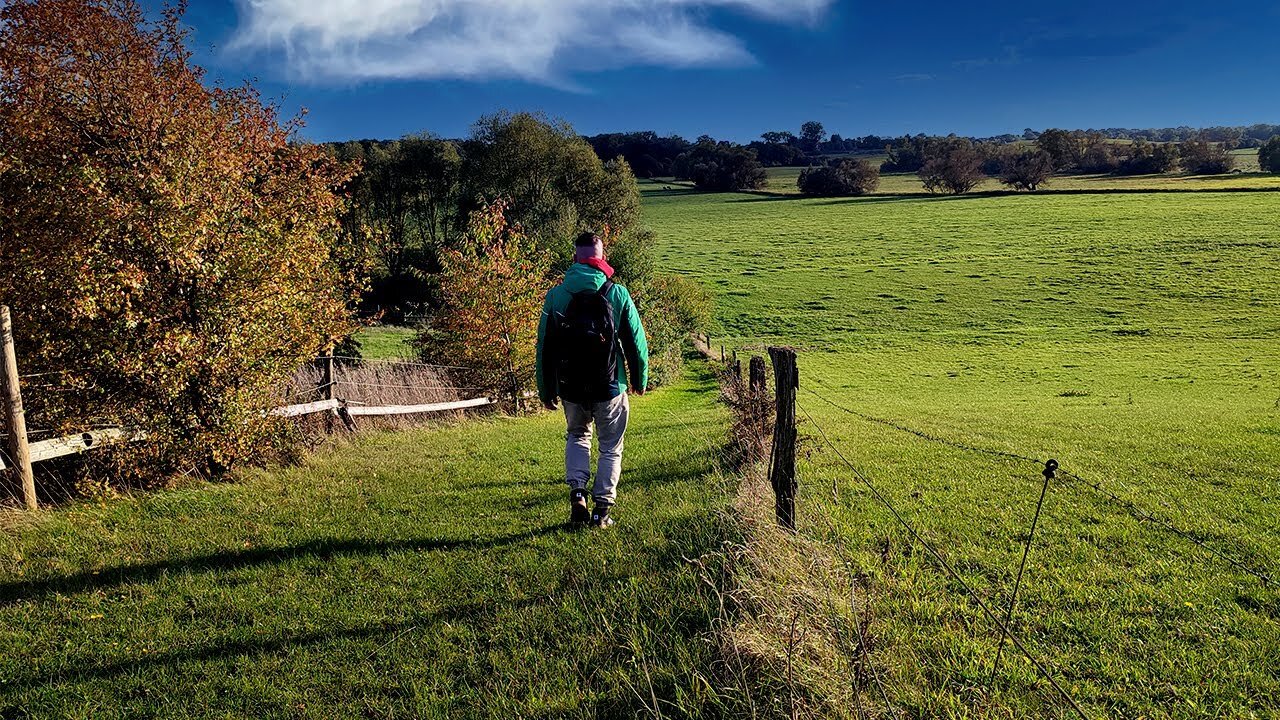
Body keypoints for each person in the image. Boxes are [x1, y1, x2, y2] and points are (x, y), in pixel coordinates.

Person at [536, 231, 648, 528]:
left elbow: (545, 347)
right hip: (610, 385)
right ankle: (601, 511)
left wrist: (546, 389)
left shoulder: (557, 295)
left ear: (575, 258)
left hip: (571, 386)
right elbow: (635, 342)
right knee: (610, 445)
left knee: (577, 436)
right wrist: (639, 378)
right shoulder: (618, 293)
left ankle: (577, 495)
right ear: (602, 258)